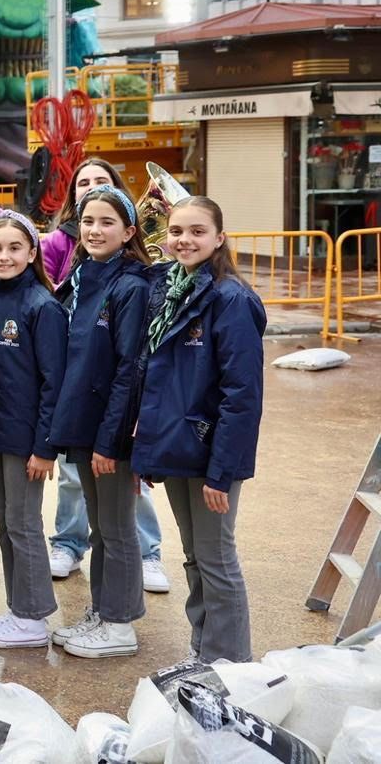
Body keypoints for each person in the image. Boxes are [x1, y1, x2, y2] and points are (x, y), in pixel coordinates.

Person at [132, 197, 265, 664]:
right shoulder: (173, 290)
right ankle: (203, 648)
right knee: (193, 556)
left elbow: (241, 396)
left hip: (213, 455)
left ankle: (230, 663)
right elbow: (161, 381)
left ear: (219, 238)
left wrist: (220, 472)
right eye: (177, 231)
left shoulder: (231, 299)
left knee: (217, 558)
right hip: (181, 445)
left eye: (197, 232)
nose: (184, 240)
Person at [46, 158, 168, 595]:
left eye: (107, 223)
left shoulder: (131, 286)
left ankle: (118, 620)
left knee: (115, 533)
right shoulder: (81, 277)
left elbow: (128, 370)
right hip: (84, 425)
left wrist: (109, 442)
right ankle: (102, 612)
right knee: (101, 529)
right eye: (88, 222)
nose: (94, 230)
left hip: (107, 436)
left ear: (129, 232)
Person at [0, 213, 67, 650]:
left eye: (13, 248)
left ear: (31, 253)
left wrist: (45, 447)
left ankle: (33, 616)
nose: (3, 257)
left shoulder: (42, 306)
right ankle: (17, 608)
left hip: (27, 441)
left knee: (24, 525)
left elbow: (54, 382)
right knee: (5, 523)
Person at [41, 158, 128, 285]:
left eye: (101, 182)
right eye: (84, 183)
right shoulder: (53, 242)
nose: (92, 187)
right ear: (74, 195)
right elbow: (40, 288)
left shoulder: (136, 237)